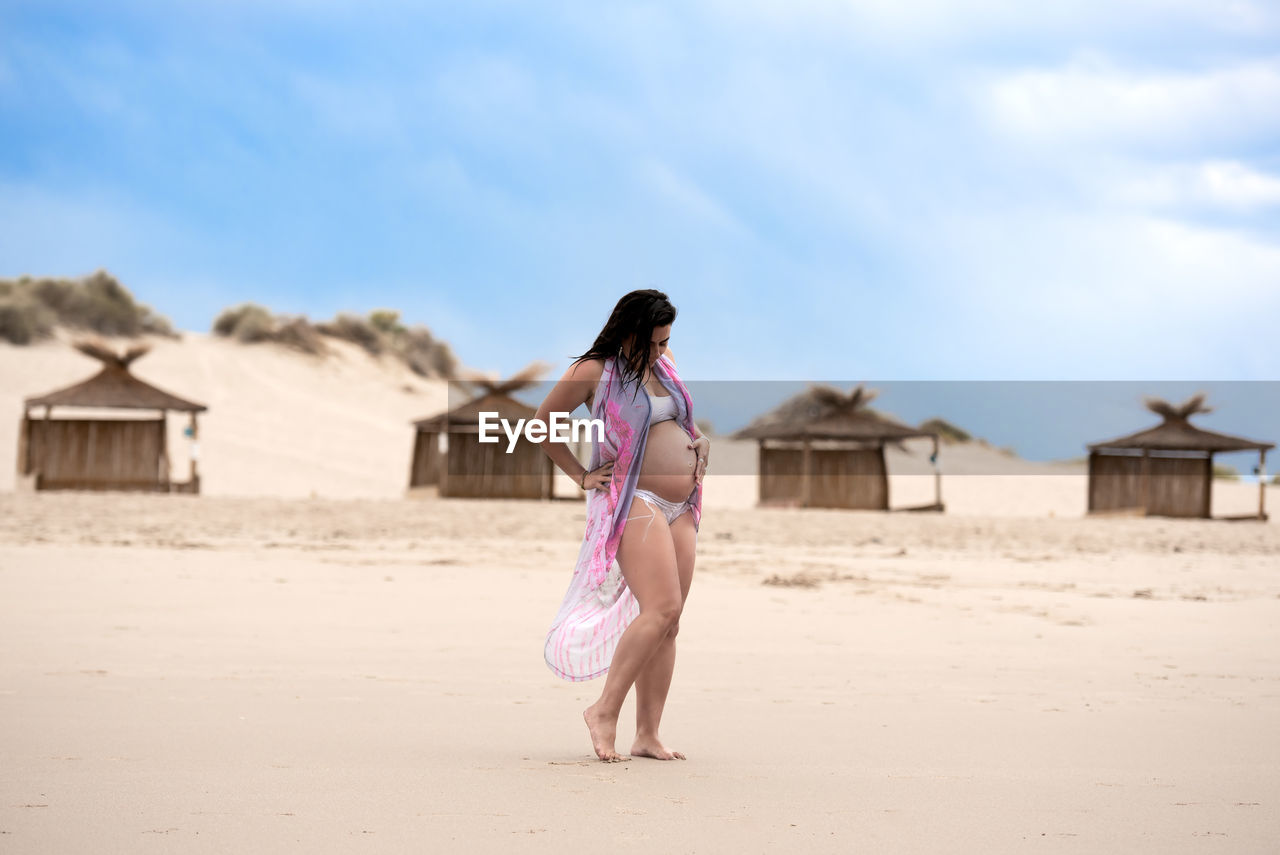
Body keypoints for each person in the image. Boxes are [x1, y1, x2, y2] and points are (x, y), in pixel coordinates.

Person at [536, 289, 710, 762]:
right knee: (661, 607)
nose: (660, 351)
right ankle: (603, 711)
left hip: (682, 505)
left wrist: (699, 440)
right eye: (653, 342)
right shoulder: (593, 371)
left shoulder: (662, 362)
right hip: (635, 500)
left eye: (665, 342)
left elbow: (674, 421)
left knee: (670, 624)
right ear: (629, 332)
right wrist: (581, 476)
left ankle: (648, 734)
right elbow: (542, 423)